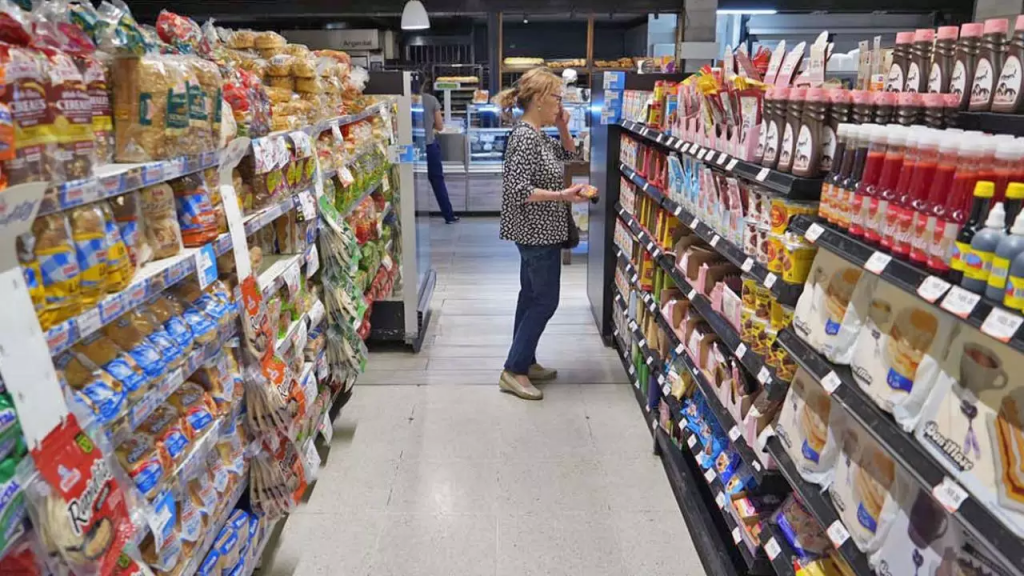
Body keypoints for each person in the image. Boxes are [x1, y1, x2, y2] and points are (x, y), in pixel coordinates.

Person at [493, 67, 590, 401]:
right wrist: (563, 196)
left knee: (531, 296)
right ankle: (513, 369)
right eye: (557, 98)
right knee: (545, 300)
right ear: (537, 99)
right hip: (536, 232)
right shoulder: (523, 137)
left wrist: (563, 125)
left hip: (544, 229)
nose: (560, 104)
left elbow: (571, 155)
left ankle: (526, 360)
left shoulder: (538, 134)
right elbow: (518, 190)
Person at [419, 74, 459, 224]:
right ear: (425, 84)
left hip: (408, 150)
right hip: (428, 146)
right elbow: (440, 126)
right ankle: (448, 216)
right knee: (437, 181)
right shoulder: (430, 100)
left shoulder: (403, 101)